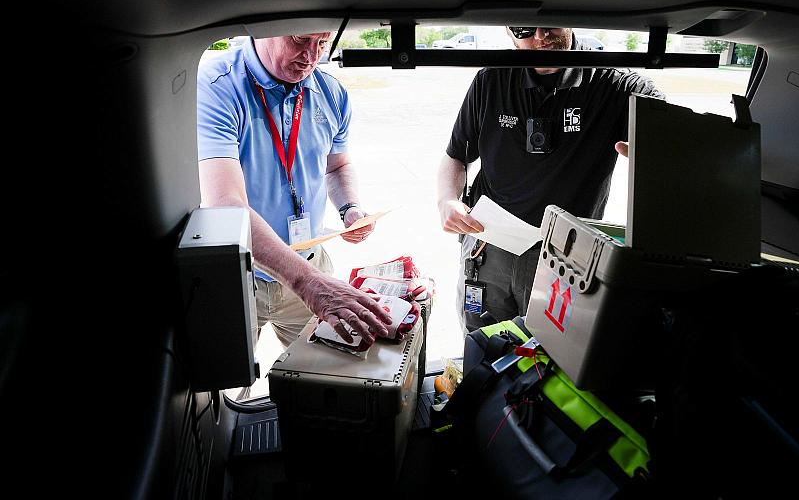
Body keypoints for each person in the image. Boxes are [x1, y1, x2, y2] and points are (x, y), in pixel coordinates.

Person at [437, 26, 663, 331]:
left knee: (552, 357)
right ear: (508, 31)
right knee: (481, 345)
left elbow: (669, 126)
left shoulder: (611, 83)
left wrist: (657, 143)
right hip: (488, 246)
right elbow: (456, 155)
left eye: (551, 22)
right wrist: (447, 200)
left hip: (563, 257)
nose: (541, 36)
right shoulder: (491, 79)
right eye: (525, 29)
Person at [197, 32, 391, 350]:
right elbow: (226, 206)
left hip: (310, 263)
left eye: (323, 44)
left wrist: (349, 207)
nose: (311, 56)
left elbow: (337, 166)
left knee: (326, 377)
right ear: (264, 26)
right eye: (301, 39)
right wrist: (310, 284)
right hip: (239, 274)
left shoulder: (331, 92)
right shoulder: (218, 85)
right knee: (221, 384)